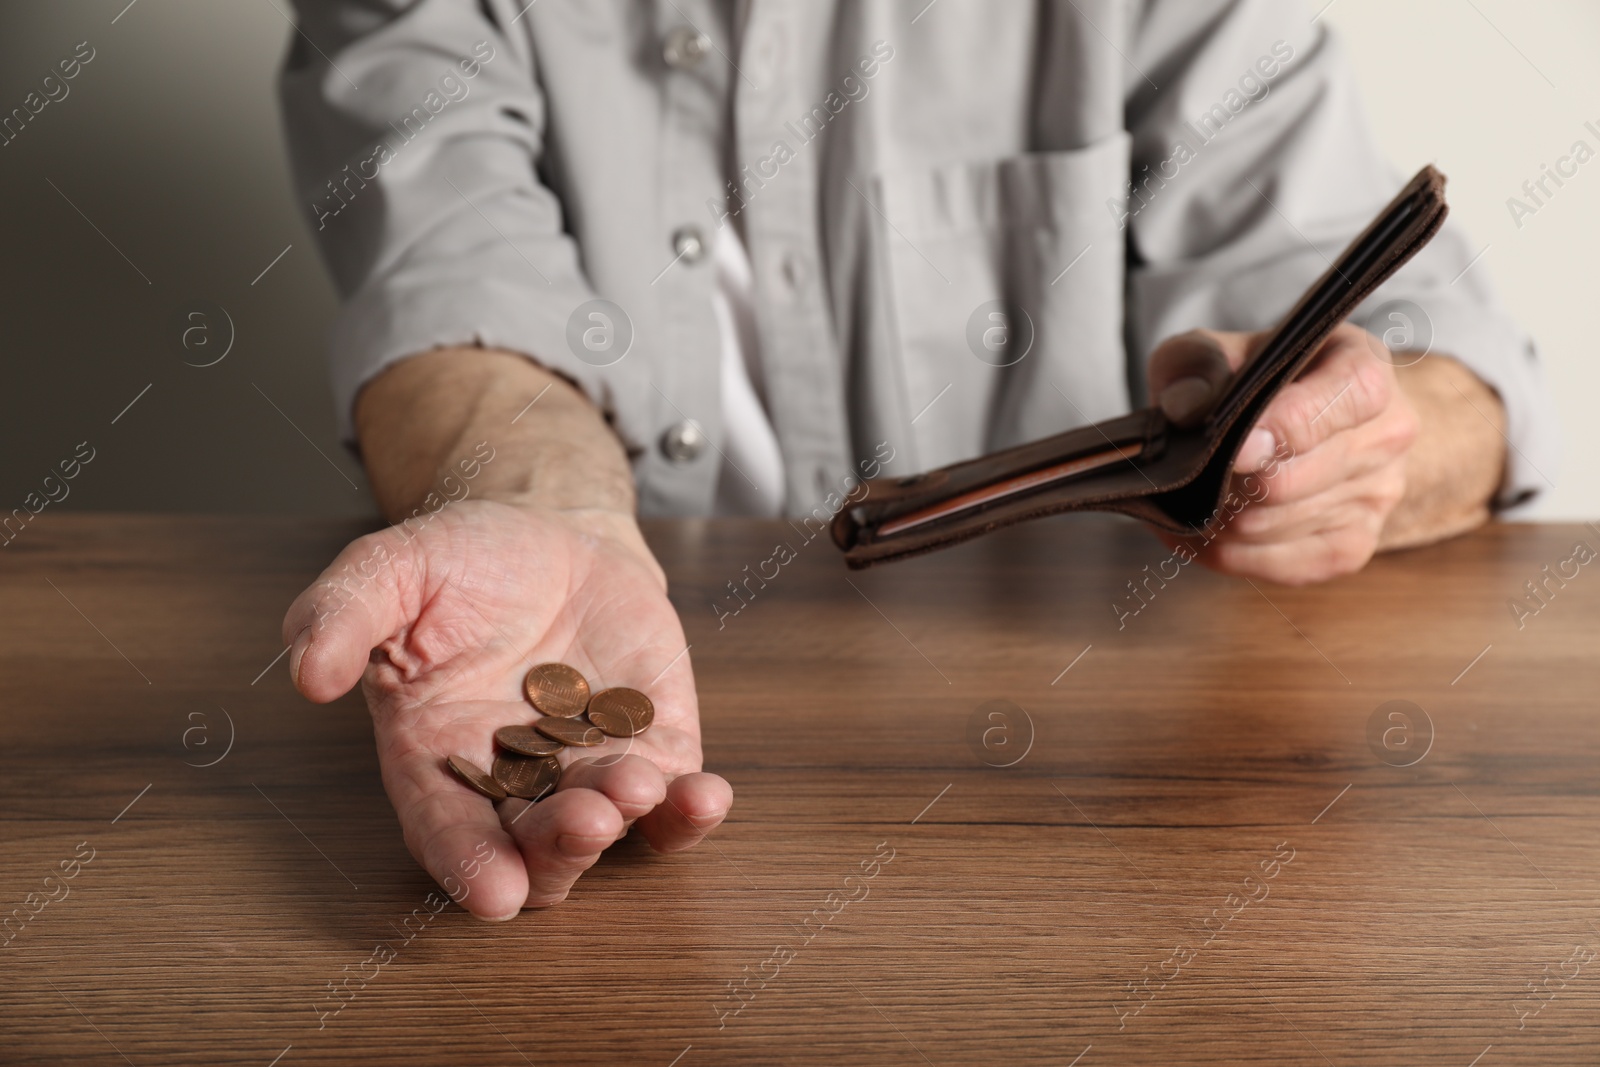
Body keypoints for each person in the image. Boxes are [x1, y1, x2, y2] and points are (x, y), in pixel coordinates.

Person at [275, 0, 1556, 919]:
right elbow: (450, 294)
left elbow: (1450, 372)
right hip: (675, 845)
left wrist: (1371, 442)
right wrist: (530, 506)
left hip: (1078, 826)